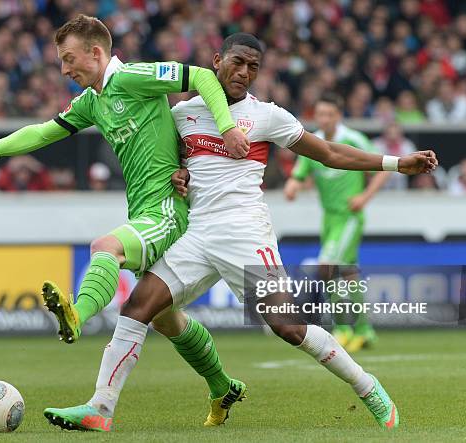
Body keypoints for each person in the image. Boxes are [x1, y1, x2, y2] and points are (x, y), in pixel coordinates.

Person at [46, 33, 437, 432]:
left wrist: (395, 163)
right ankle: (101, 408)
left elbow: (330, 153)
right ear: (217, 60)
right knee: (138, 309)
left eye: (253, 67)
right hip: (196, 235)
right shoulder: (184, 113)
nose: (244, 72)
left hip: (247, 234)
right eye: (237, 62)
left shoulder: (267, 115)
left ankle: (368, 386)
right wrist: (179, 176)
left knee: (289, 328)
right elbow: (171, 161)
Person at [0, 14, 251, 429]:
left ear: (96, 52)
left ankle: (78, 316)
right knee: (164, 317)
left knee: (105, 247)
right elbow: (40, 133)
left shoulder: (135, 77)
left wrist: (228, 127)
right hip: (143, 212)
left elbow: (201, 76)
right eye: (60, 62)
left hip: (166, 210)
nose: (65, 70)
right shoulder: (92, 101)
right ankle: (222, 384)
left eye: (70, 59)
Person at [284, 93, 391, 353]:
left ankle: (343, 329)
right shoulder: (312, 144)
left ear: (339, 115)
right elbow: (298, 175)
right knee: (348, 273)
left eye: (329, 114)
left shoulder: (353, 139)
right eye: (320, 114)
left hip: (349, 217)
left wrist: (364, 197)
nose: (325, 119)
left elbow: (382, 169)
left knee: (327, 266)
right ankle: (364, 331)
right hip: (329, 219)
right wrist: (292, 186)